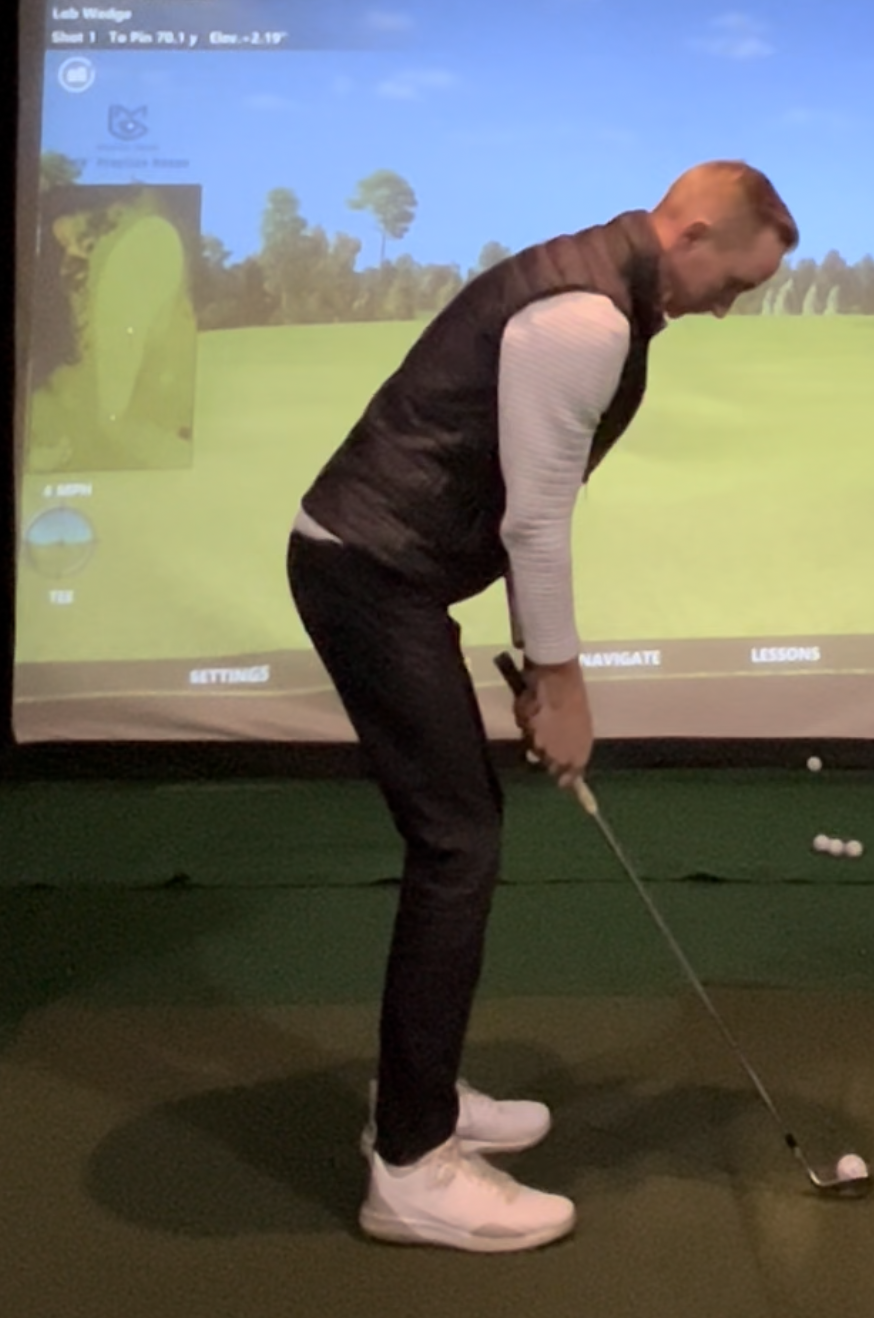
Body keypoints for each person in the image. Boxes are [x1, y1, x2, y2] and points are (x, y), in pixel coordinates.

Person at [287, 159, 798, 1253]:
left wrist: (533, 663)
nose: (728, 306)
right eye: (736, 284)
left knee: (460, 832)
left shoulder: (600, 290)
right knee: (457, 845)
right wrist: (561, 685)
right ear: (696, 231)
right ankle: (414, 1167)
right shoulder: (584, 320)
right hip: (371, 572)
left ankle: (412, 1094)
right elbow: (534, 523)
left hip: (387, 570)